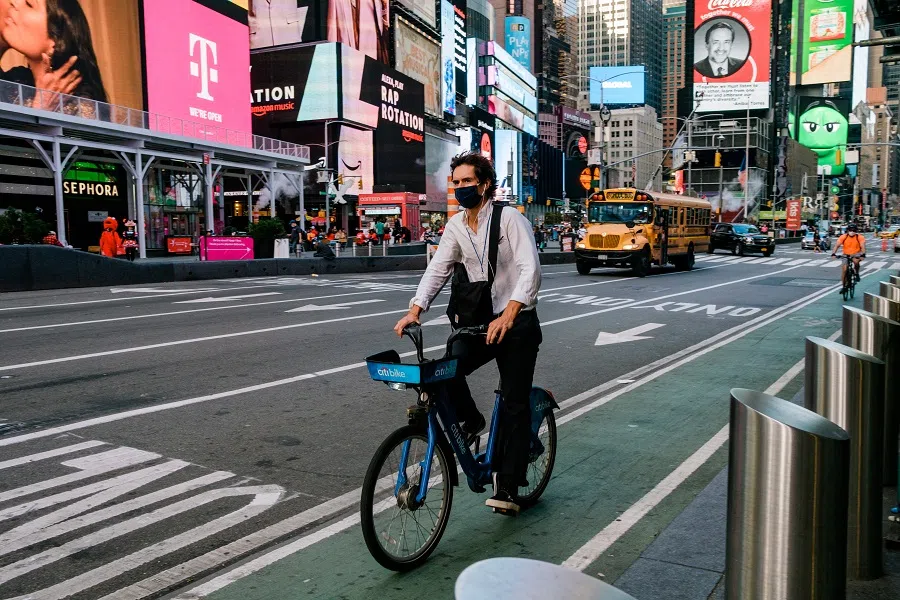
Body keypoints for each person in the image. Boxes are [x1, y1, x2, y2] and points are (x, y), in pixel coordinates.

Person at [393, 152, 541, 516]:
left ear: (484, 184)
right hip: (478, 322)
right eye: (455, 182)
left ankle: (507, 484)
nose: (460, 188)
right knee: (446, 368)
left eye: (466, 182)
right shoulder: (456, 226)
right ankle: (471, 420)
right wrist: (416, 308)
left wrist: (510, 312)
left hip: (517, 322)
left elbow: (530, 269)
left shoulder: (510, 219)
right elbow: (438, 269)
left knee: (514, 402)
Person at [3, 0, 107, 110]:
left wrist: (41, 109)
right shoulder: (14, 83)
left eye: (29, 4)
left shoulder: (81, 105)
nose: (14, 2)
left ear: (56, 41)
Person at [832, 223, 866, 289]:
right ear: (848, 230)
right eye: (850, 230)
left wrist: (863, 254)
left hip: (856, 253)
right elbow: (837, 246)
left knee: (856, 262)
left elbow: (862, 246)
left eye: (854, 230)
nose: (852, 232)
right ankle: (844, 286)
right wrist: (833, 253)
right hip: (846, 254)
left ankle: (856, 273)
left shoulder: (860, 237)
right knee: (844, 270)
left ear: (856, 231)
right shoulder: (843, 237)